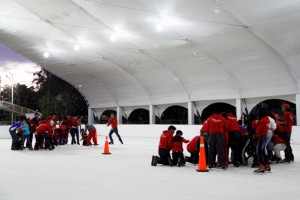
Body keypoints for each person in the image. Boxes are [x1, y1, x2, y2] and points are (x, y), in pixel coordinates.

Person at [254, 108, 273, 173]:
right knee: (263, 150)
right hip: (266, 135)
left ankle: (262, 166)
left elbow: (258, 130)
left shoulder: (262, 120)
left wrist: (256, 127)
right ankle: (267, 165)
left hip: (262, 136)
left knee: (259, 151)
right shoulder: (266, 118)